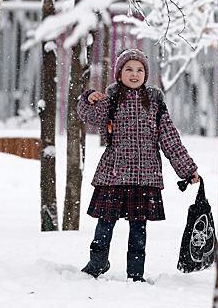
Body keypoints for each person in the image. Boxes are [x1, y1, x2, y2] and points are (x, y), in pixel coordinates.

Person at [77, 48, 199, 282]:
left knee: (138, 229)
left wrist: (187, 169)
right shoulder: (110, 102)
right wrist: (88, 97)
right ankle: (97, 262)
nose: (134, 74)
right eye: (129, 69)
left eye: (140, 70)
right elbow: (88, 116)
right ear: (119, 74)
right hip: (113, 174)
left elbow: (170, 140)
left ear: (146, 74)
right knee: (105, 223)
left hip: (145, 176)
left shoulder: (155, 106)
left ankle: (135, 273)